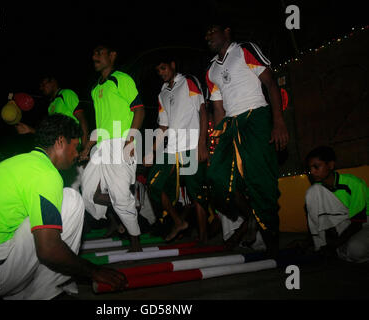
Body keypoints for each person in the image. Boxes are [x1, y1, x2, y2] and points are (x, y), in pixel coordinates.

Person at [0, 114, 126, 299]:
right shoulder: (45, 174)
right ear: (60, 142)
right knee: (71, 199)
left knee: (35, 213)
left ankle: (19, 292)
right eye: (76, 146)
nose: (77, 154)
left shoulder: (11, 166)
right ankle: (44, 293)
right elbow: (48, 249)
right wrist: (94, 271)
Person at [204, 21, 289, 256]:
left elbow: (271, 83)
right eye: (206, 34)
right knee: (217, 178)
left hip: (256, 117)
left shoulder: (245, 49)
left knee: (261, 180)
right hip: (231, 124)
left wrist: (278, 122)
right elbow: (218, 108)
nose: (208, 35)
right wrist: (217, 143)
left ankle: (272, 244)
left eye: (213, 30)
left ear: (227, 31)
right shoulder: (211, 70)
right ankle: (251, 214)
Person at [80, 43, 145, 252]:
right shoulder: (95, 88)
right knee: (89, 193)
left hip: (121, 142)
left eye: (100, 52)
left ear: (112, 55)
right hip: (101, 145)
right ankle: (124, 206)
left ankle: (135, 239)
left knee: (118, 193)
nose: (95, 56)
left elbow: (140, 110)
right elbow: (101, 125)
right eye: (94, 53)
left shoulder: (122, 79)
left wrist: (131, 140)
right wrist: (87, 147)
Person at [144, 56, 209, 244]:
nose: (161, 73)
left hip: (191, 145)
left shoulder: (189, 81)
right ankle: (178, 222)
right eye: (158, 71)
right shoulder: (162, 93)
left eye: (164, 68)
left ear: (173, 65)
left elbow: (202, 110)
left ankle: (204, 239)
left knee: (196, 193)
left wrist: (202, 143)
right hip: (171, 148)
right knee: (153, 184)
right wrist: (152, 151)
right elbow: (163, 127)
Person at [16, 75, 89, 191]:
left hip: (75, 148)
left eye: (43, 84)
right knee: (69, 189)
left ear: (53, 82)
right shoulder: (51, 106)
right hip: (63, 153)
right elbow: (52, 134)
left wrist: (84, 147)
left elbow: (82, 119)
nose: (41, 87)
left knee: (88, 188)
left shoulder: (66, 94)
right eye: (40, 86)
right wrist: (30, 130)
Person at [296, 146, 368, 262]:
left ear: (330, 165)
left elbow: (357, 223)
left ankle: (338, 249)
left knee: (356, 250)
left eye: (316, 167)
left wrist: (332, 245)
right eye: (310, 169)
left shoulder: (354, 184)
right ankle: (337, 249)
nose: (312, 172)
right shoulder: (316, 191)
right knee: (312, 191)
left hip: (364, 224)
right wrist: (310, 242)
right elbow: (314, 221)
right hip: (345, 226)